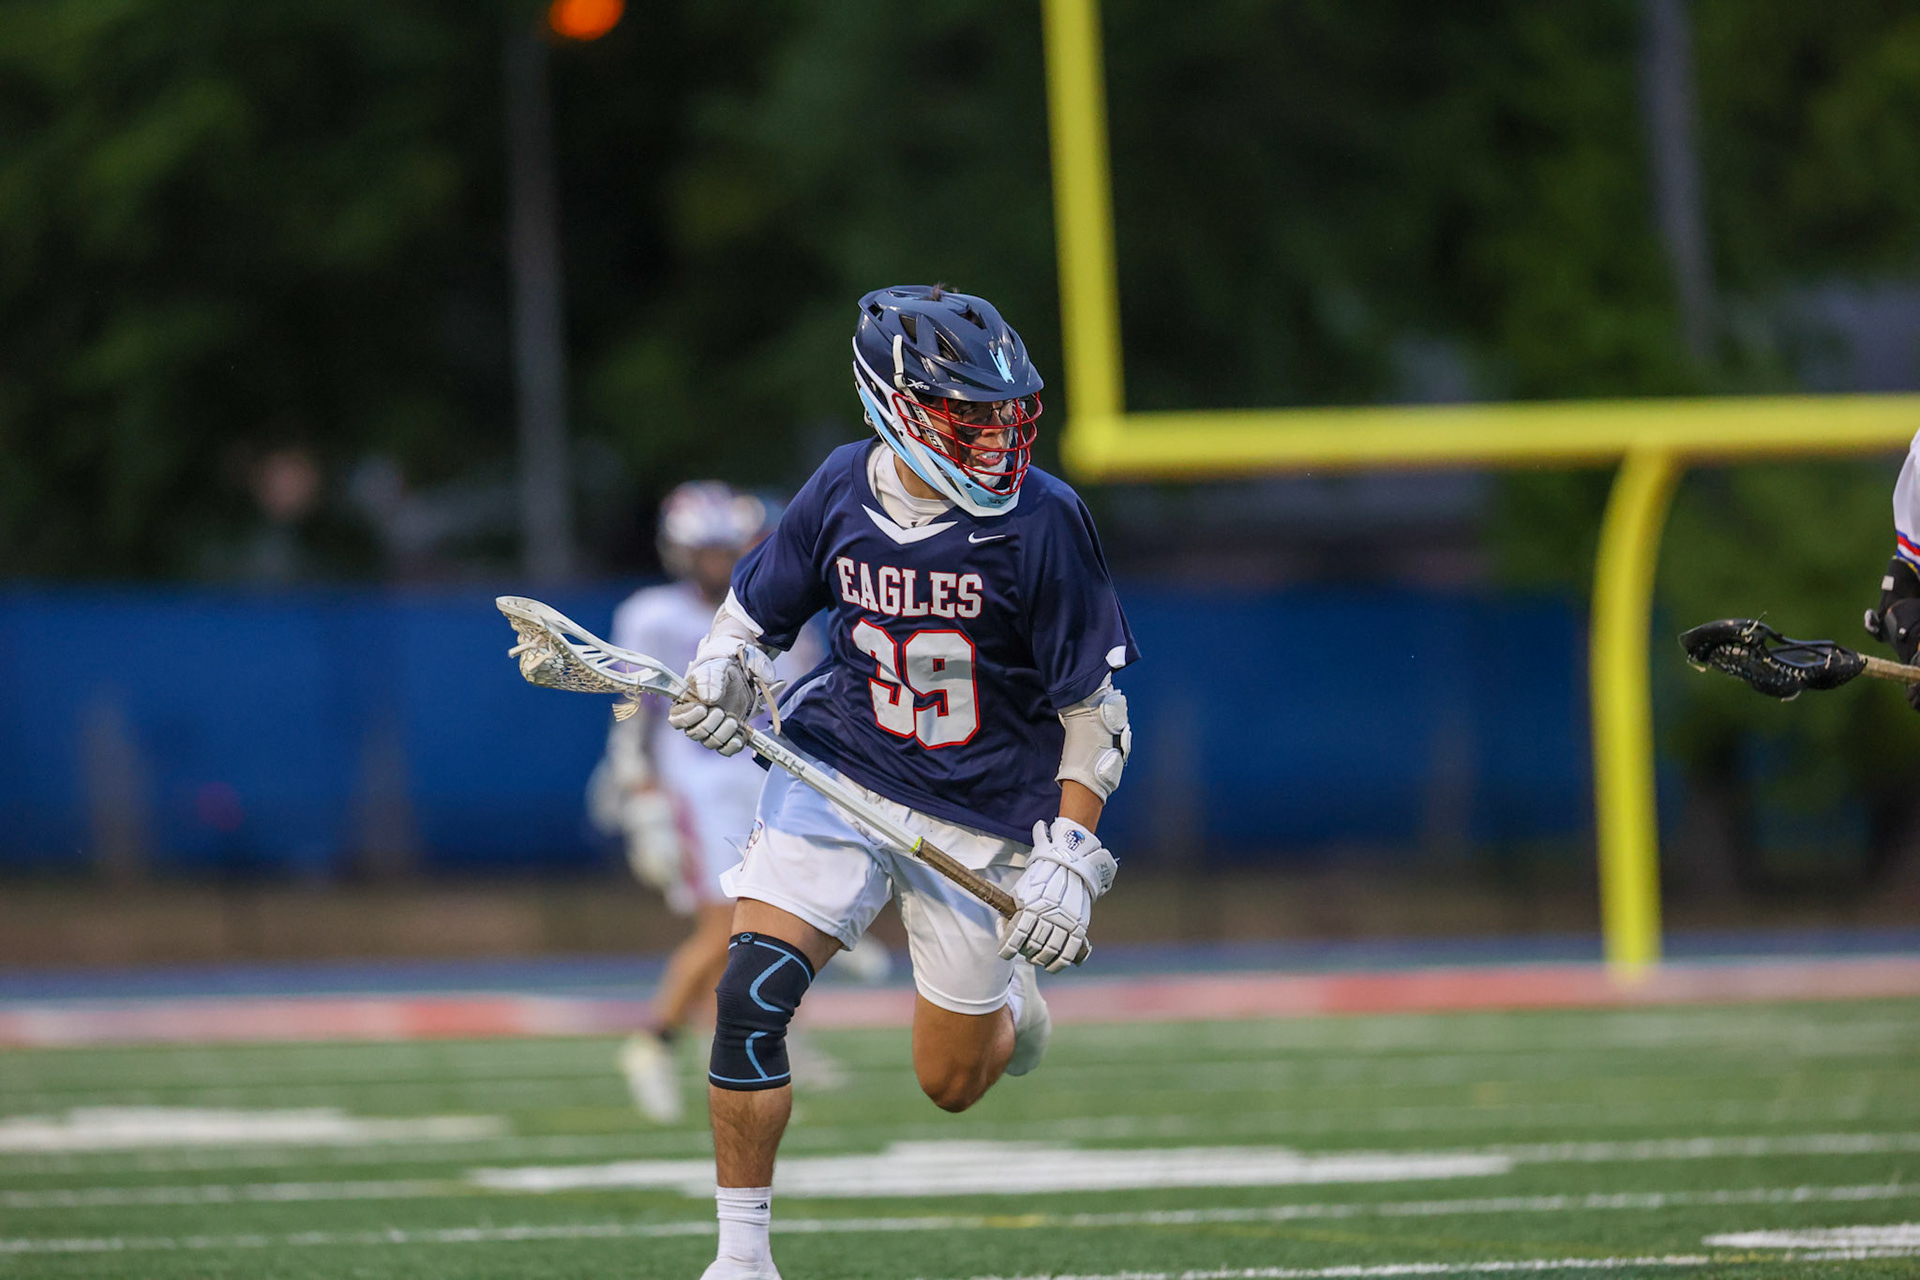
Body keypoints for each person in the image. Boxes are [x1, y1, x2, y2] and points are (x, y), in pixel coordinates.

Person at [666, 285, 1138, 1279]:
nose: (996, 436)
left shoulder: (1045, 521)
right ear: (897, 402)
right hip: (842, 768)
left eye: (1006, 413)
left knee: (952, 1083)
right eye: (970, 415)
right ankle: (740, 1257)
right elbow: (754, 618)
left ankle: (1009, 1002)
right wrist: (722, 671)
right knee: (752, 992)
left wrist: (1068, 850)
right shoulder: (841, 486)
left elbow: (1094, 710)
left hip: (983, 810)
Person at [588, 482, 883, 1124]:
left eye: (729, 549)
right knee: (725, 929)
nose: (720, 563)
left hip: (761, 778)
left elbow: (797, 698)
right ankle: (657, 1040)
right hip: (696, 785)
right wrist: (638, 787)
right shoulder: (653, 614)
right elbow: (633, 709)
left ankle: (769, 1043)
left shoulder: (774, 607)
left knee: (766, 923)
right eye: (709, 550)